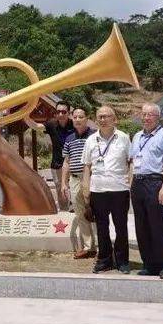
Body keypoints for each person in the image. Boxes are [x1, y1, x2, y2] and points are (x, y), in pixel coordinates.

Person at [80, 106, 132, 274]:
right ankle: (104, 260)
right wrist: (86, 190)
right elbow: (87, 167)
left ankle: (122, 260)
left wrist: (130, 183)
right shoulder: (90, 140)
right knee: (102, 228)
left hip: (119, 190)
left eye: (106, 116)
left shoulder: (123, 138)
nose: (103, 120)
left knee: (121, 227)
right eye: (100, 117)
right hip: (98, 190)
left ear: (114, 118)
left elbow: (130, 162)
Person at [129, 103, 163, 279]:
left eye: (150, 115)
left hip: (156, 182)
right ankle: (149, 264)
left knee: (158, 226)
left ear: (158, 117)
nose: (146, 118)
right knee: (141, 227)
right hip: (138, 183)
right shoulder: (136, 136)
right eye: (144, 114)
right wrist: (130, 184)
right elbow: (133, 161)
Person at [25, 101, 75, 211]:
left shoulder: (75, 124)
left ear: (69, 113)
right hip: (57, 163)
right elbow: (37, 126)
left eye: (63, 112)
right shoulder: (52, 124)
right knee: (59, 188)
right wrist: (25, 116)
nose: (61, 114)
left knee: (74, 186)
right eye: (58, 112)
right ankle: (64, 212)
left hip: (74, 162)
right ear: (56, 113)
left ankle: (75, 209)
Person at [61, 107, 97, 259]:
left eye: (80, 116)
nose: (77, 119)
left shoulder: (95, 136)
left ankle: (103, 247)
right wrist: (64, 183)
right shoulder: (69, 138)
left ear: (86, 118)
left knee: (96, 213)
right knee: (80, 213)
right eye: (75, 117)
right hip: (75, 179)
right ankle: (89, 247)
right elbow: (66, 162)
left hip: (92, 178)